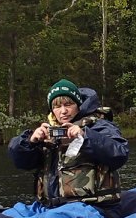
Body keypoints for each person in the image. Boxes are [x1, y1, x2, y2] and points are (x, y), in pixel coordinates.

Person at [8, 78, 129, 208]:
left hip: (92, 208)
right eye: (57, 106)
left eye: (68, 105)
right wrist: (30, 142)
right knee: (12, 215)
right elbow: (20, 162)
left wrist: (85, 136)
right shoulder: (48, 132)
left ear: (78, 105)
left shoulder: (99, 126)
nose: (63, 111)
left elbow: (120, 153)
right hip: (52, 207)